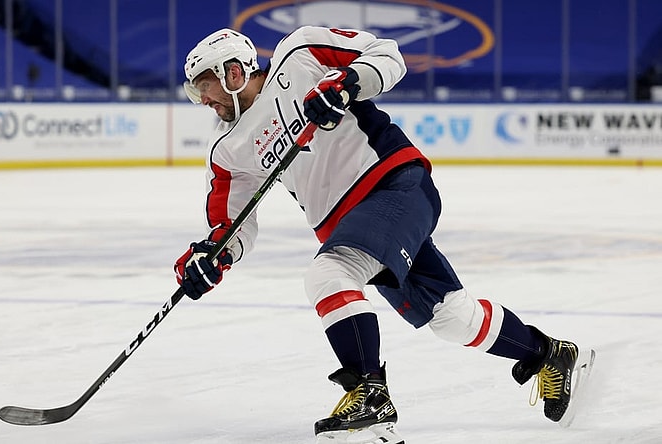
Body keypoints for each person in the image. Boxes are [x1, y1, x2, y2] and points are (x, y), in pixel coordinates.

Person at [174, 26, 589, 443]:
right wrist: (213, 257)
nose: (203, 100)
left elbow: (387, 55)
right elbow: (230, 224)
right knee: (451, 317)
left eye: (205, 87)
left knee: (329, 274)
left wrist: (348, 83)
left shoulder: (298, 55)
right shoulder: (227, 147)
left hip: (393, 186)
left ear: (233, 71)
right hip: (357, 226)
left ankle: (369, 394)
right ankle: (550, 355)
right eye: (196, 94)